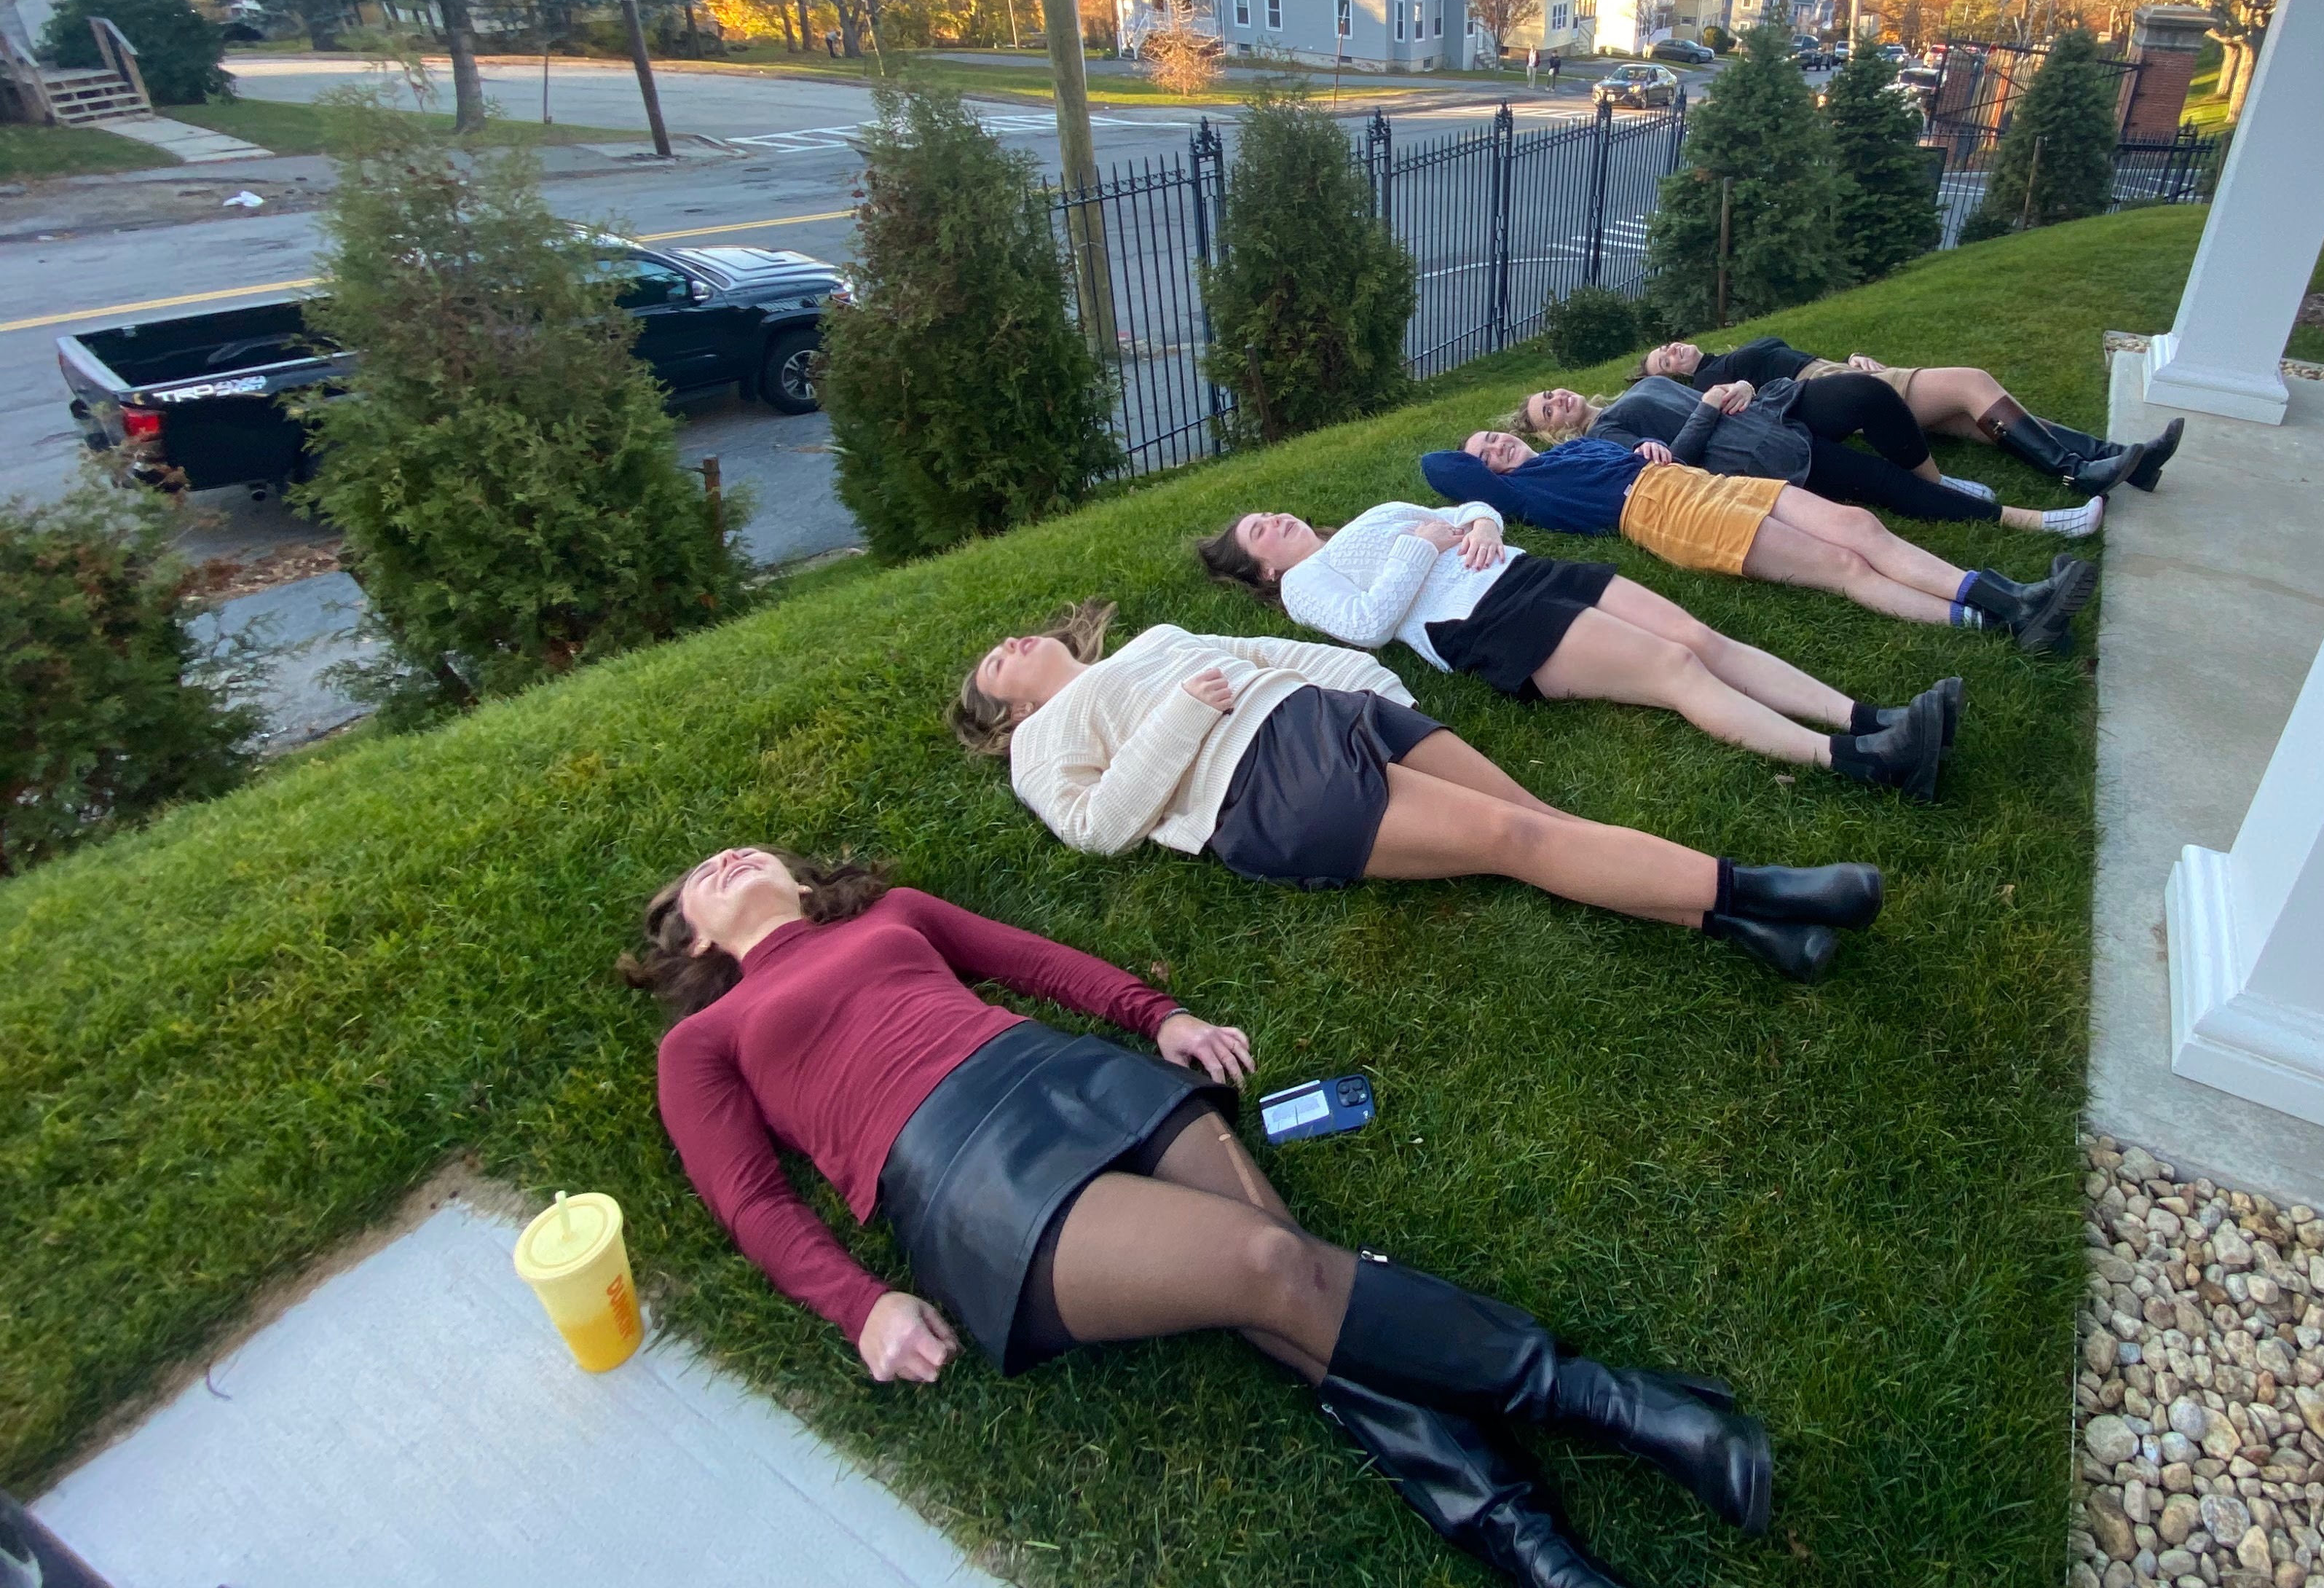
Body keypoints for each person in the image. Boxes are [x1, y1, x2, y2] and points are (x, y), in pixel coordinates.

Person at [626, 852, 1767, 1588]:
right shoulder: (703, 1043)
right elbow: (751, 1201)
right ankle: (1618, 1405)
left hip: (1066, 1075)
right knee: (1276, 1267)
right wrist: (862, 1304)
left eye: (738, 848)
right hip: (966, 1175)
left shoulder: (889, 913)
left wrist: (1155, 1012)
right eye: (698, 880)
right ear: (689, 941)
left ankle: (1536, 1552)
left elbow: (1025, 961)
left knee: (1298, 1297)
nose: (724, 858)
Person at [950, 602, 1878, 980]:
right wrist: (1182, 717)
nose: (1011, 648)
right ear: (999, 713)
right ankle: (1763, 890)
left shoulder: (1149, 638)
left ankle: (1743, 931)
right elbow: (1096, 829)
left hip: (1325, 713)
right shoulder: (1039, 746)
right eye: (995, 666)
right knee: (1519, 844)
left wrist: (1374, 690)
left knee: (1543, 823)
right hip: (1266, 791)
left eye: (1011, 638)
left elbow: (1267, 656)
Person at [1197, 502, 1960, 796]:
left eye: (1268, 513)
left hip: (1527, 570)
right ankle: (1861, 762)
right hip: (1485, 624)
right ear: (1264, 569)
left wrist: (1482, 525)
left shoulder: (1368, 517)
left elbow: (1462, 509)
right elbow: (1368, 622)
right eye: (1260, 532)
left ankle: (1867, 716)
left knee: (1699, 634)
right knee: (1674, 668)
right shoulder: (1304, 589)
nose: (1276, 520)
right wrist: (1425, 547)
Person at [1422, 431, 2098, 650]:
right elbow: (1438, 466)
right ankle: (2005, 612)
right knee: (1842, 565)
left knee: (1859, 526)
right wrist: (1478, 471)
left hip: (1703, 482)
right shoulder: (1522, 493)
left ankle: (2012, 601)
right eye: (1488, 451)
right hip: (1661, 517)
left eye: (1499, 436)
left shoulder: (1566, 450)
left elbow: (1628, 450)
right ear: (1485, 470)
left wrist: (1647, 445)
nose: (1498, 446)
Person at [1510, 374, 2114, 536]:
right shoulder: (1599, 441)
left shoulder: (1620, 397)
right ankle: (2032, 521)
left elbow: (1706, 396)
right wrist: (1712, 407)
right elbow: (1677, 465)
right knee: (1876, 483)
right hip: (1758, 455)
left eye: (1552, 393)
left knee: (1867, 394)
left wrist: (1739, 387)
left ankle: (1940, 480)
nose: (1558, 400)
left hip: (1773, 410)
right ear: (1550, 435)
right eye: (1548, 410)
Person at [1642, 334, 2179, 495]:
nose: (1673, 352)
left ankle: (2127, 462)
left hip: (1835, 369)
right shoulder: (1712, 382)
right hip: (1823, 389)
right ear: (1672, 380)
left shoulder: (1724, 356)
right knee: (1973, 384)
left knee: (1976, 417)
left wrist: (1851, 358)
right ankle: (2075, 471)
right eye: (1664, 362)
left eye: (1668, 346)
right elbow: (1756, 408)